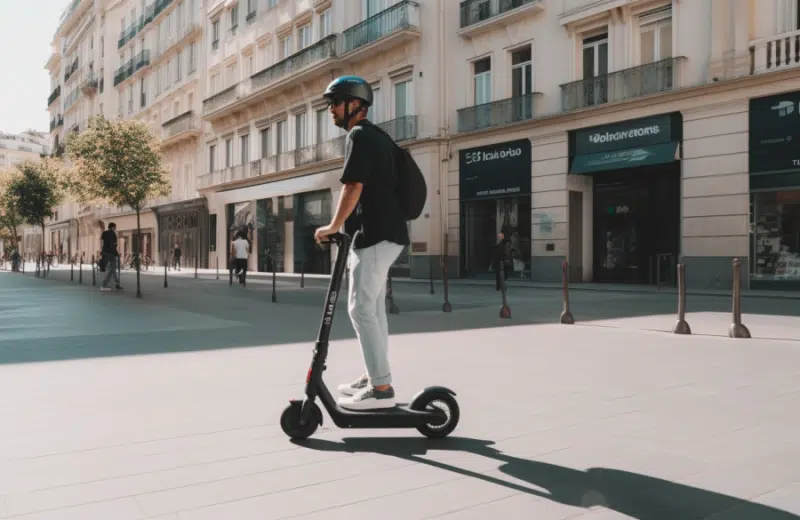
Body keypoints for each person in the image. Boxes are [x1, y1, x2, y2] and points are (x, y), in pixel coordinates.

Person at [314, 76, 410, 411]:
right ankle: (376, 375)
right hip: (388, 233)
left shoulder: (359, 135)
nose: (331, 110)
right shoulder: (379, 136)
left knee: (360, 308)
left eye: (335, 103)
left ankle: (381, 388)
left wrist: (333, 225)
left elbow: (353, 185)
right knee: (373, 309)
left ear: (355, 105)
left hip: (375, 234)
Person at [100, 222, 123, 292]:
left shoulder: (104, 233)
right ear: (113, 227)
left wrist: (102, 251)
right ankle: (106, 285)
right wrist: (116, 253)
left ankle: (116, 284)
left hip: (105, 253)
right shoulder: (113, 234)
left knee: (111, 269)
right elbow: (113, 245)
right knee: (112, 268)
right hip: (111, 253)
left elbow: (102, 242)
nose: (115, 228)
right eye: (115, 227)